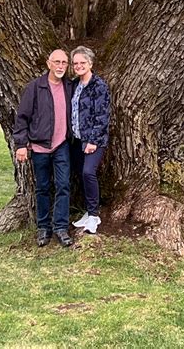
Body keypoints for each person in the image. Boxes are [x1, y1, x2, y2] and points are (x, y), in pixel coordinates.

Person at [12, 49, 73, 247]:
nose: (60, 66)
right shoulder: (35, 88)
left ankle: (61, 228)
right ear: (48, 64)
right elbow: (22, 118)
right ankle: (43, 228)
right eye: (57, 62)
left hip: (61, 145)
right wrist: (21, 144)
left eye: (64, 62)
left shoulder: (69, 87)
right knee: (42, 188)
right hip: (39, 147)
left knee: (63, 185)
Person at [70, 45, 110, 234]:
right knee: (81, 174)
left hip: (94, 140)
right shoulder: (74, 85)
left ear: (90, 63)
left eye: (82, 62)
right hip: (77, 140)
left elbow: (102, 116)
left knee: (88, 173)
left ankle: (94, 215)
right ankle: (88, 211)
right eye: (76, 63)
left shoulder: (98, 85)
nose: (79, 66)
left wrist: (93, 141)